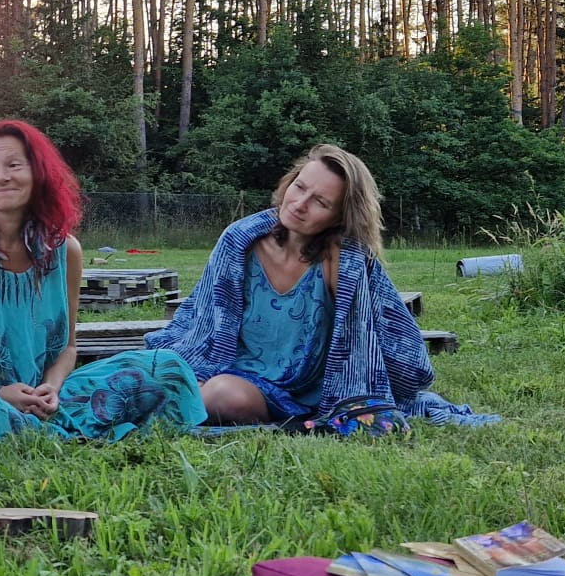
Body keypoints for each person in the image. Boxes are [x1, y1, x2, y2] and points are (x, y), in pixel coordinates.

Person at [0, 120, 206, 439]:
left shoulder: (66, 250)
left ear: (39, 172)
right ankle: (46, 427)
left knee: (166, 365)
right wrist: (0, 393)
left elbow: (67, 347)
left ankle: (32, 425)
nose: (1, 177)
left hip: (48, 398)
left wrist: (51, 388)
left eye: (14, 165)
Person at [146, 143, 432, 425]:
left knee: (221, 396)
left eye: (320, 202)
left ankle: (183, 402)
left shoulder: (343, 260)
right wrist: (197, 371)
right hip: (233, 371)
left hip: (298, 393)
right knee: (149, 373)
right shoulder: (239, 240)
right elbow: (204, 321)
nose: (299, 204)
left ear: (340, 217)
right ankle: (184, 397)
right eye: (299, 187)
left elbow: (377, 339)